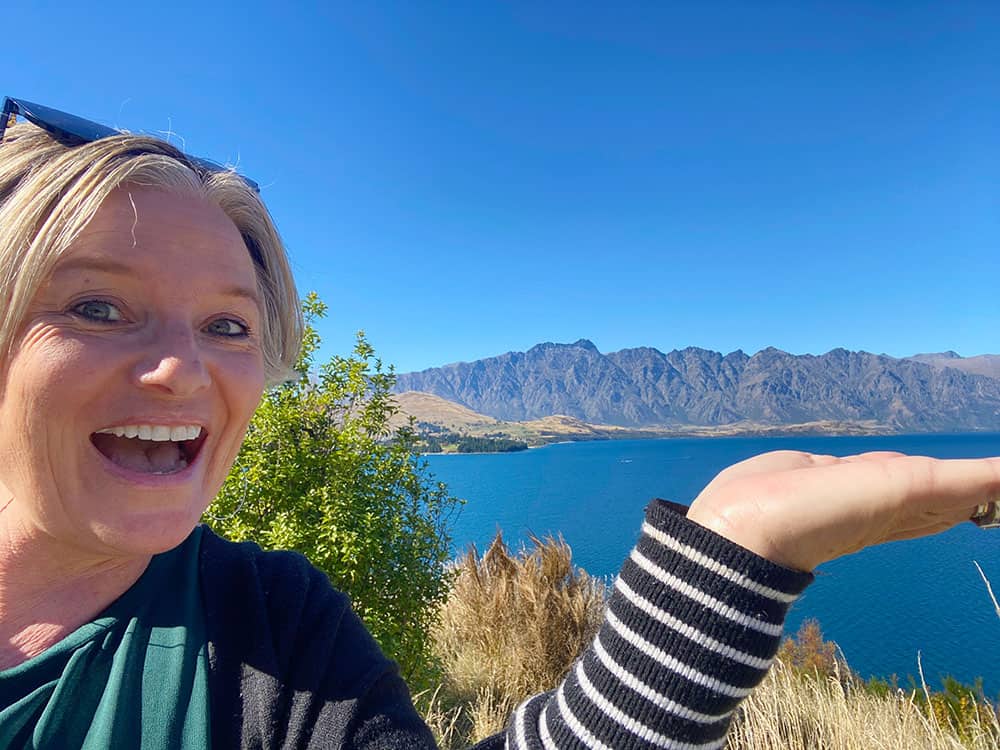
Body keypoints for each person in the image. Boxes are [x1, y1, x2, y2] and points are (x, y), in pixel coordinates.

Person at [1, 96, 998, 749]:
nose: (184, 370)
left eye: (230, 325)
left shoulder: (274, 631)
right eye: (97, 306)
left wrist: (731, 556)